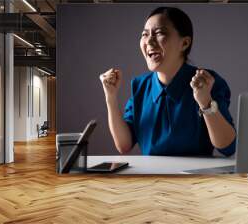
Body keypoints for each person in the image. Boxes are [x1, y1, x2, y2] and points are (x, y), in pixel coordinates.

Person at [99, 7, 236, 157]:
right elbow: (124, 145)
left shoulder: (207, 82)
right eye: (144, 34)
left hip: (195, 177)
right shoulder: (140, 86)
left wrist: (205, 101)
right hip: (153, 177)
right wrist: (110, 97)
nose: (149, 41)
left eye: (159, 33)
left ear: (184, 43)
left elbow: (228, 146)